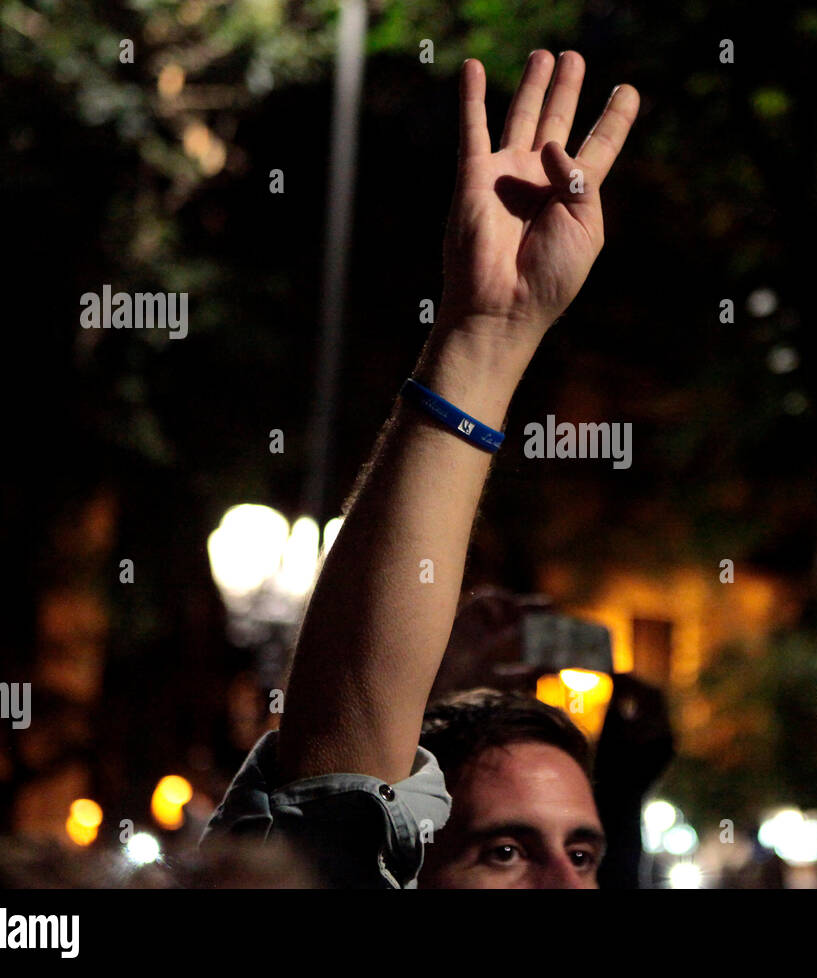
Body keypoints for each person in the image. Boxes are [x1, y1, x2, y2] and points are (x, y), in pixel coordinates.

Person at [201, 50, 640, 889]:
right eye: (503, 852)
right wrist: (485, 335)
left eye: (584, 854)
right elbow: (337, 792)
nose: (564, 885)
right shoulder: (341, 854)